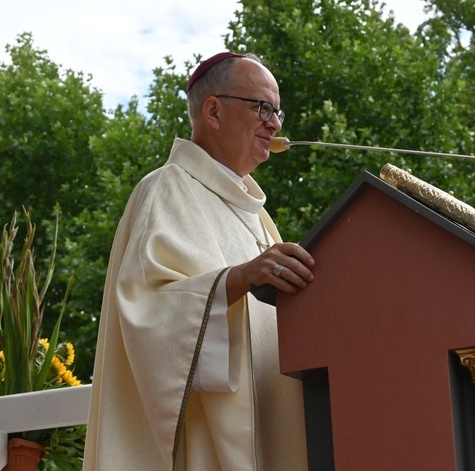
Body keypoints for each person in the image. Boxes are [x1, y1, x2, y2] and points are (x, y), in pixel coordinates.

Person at [83, 52, 315, 470]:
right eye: (263, 107)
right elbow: (147, 311)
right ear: (213, 110)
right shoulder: (166, 190)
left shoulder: (259, 219)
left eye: (277, 111)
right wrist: (238, 279)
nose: (276, 124)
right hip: (204, 443)